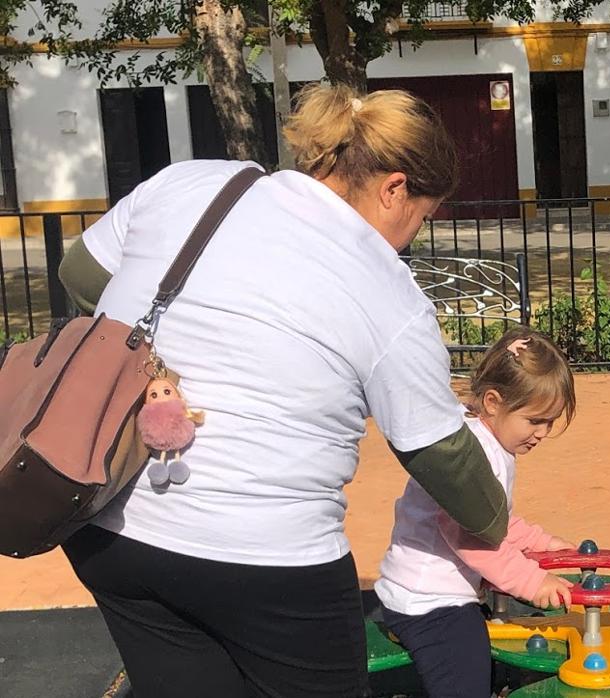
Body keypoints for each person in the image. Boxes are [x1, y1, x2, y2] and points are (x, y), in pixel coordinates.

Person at [56, 84, 511, 698]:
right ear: (394, 188)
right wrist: (499, 520)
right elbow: (438, 452)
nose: (412, 237)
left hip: (112, 525)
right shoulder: (385, 285)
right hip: (268, 558)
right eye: (422, 217)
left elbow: (81, 272)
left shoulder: (196, 183)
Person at [375, 327, 578, 697]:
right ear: (493, 402)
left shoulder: (482, 441)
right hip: (429, 602)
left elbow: (492, 521)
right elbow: (469, 535)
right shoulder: (479, 455)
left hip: (428, 592)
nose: (543, 433)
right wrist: (532, 582)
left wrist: (542, 544)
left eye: (551, 422)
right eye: (535, 421)